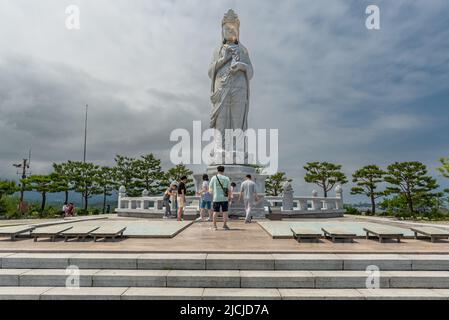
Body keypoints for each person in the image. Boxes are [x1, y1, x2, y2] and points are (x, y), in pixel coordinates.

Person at [209, 166, 231, 230]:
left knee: (215, 212)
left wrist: (213, 194)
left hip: (216, 198)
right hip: (224, 198)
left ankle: (215, 226)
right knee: (225, 212)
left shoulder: (214, 178)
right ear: (223, 170)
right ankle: (224, 225)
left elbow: (210, 188)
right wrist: (229, 197)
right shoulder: (226, 178)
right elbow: (229, 189)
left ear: (217, 170)